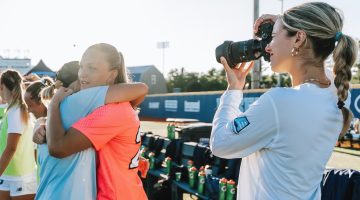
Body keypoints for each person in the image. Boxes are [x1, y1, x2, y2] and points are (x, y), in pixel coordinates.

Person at [210, 2, 358, 200]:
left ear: (298, 38)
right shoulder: (339, 95)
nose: (267, 47)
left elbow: (220, 143)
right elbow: (322, 74)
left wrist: (234, 90)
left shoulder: (279, 103)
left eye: (272, 37)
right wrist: (284, 24)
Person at [33, 58, 148, 200]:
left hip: (50, 193)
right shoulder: (85, 100)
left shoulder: (57, 113)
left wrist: (49, 111)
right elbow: (141, 89)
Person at [0, 70, 37, 200]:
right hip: (6, 174)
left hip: (22, 177)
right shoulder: (11, 109)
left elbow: (11, 148)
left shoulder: (16, 110)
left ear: (2, 86)